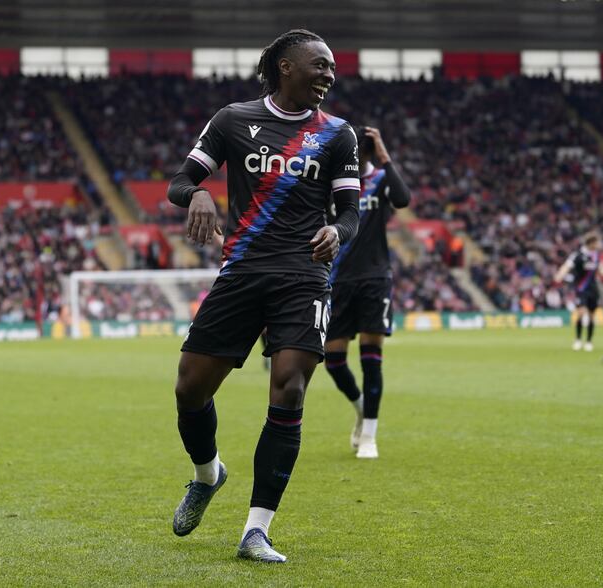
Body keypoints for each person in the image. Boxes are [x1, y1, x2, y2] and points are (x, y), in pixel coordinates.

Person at [166, 29, 360, 563]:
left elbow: (350, 211)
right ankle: (208, 474)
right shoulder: (233, 119)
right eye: (320, 65)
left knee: (289, 387)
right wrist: (197, 193)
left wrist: (338, 231)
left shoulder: (338, 135)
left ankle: (257, 531)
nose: (329, 74)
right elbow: (180, 181)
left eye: (332, 67)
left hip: (304, 274)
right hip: (243, 270)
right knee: (189, 389)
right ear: (285, 67)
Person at [324, 126, 410, 459]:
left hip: (375, 277)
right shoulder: (334, 184)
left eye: (361, 155)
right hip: (338, 279)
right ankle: (361, 408)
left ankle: (370, 435)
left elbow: (402, 199)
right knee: (333, 361)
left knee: (371, 360)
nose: (356, 160)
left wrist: (385, 156)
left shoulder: (380, 179)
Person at [553, 232, 603, 352]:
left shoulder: (596, 256)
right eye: (597, 242)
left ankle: (589, 341)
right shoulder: (578, 255)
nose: (599, 244)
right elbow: (567, 266)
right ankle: (578, 340)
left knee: (591, 315)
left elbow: (601, 270)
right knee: (581, 312)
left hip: (593, 289)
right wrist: (559, 275)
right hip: (581, 288)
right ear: (591, 243)